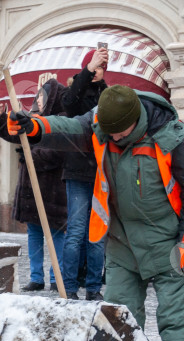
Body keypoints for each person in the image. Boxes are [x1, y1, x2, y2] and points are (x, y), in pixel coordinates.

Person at [6, 85, 184, 341]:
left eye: (120, 132)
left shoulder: (174, 138)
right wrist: (35, 126)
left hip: (168, 244)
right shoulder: (101, 125)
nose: (113, 138)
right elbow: (71, 127)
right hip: (121, 243)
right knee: (119, 317)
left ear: (136, 120)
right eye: (108, 131)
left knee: (178, 315)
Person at [0, 79, 67, 292]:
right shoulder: (33, 120)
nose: (39, 99)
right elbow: (14, 133)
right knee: (34, 234)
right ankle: (36, 277)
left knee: (56, 236)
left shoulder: (59, 121)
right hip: (31, 191)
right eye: (39, 95)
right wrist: (2, 116)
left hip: (52, 190)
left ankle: (56, 278)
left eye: (43, 95)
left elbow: (57, 153)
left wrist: (29, 156)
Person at [58, 47, 109, 301]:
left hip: (101, 173)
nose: (99, 71)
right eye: (95, 66)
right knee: (77, 231)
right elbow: (67, 102)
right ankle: (68, 287)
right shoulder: (77, 94)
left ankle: (93, 288)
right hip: (78, 169)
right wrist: (88, 69)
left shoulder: (109, 95)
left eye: (101, 67)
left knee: (97, 235)